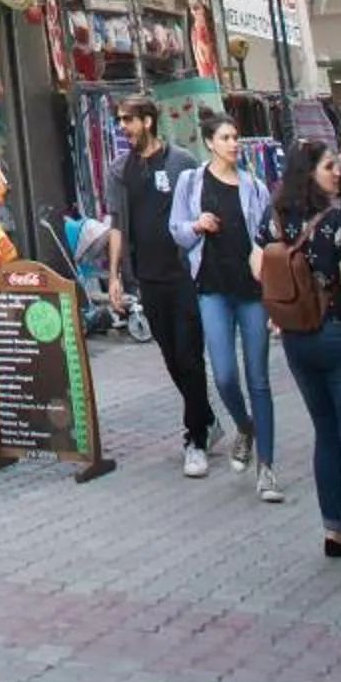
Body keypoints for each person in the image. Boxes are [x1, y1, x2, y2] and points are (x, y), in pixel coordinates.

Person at [269, 141, 341, 572]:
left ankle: (333, 530)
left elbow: (259, 268)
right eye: (329, 166)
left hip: (299, 337)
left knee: (326, 433)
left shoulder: (275, 219)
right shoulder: (336, 223)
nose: (337, 172)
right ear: (310, 172)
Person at [170, 118, 284, 503]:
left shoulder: (254, 187)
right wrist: (197, 225)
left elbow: (269, 237)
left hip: (251, 291)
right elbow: (177, 230)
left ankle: (266, 468)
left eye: (236, 137)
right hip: (212, 289)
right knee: (223, 374)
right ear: (209, 143)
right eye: (225, 138)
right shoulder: (190, 182)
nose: (234, 143)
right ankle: (244, 426)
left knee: (259, 379)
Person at [106, 97, 217, 476]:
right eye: (120, 121)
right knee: (172, 358)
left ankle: (196, 437)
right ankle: (206, 417)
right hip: (148, 277)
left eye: (129, 120)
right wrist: (115, 275)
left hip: (184, 274)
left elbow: (199, 212)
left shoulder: (181, 162)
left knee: (189, 355)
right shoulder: (120, 169)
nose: (123, 127)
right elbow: (117, 223)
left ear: (149, 121)